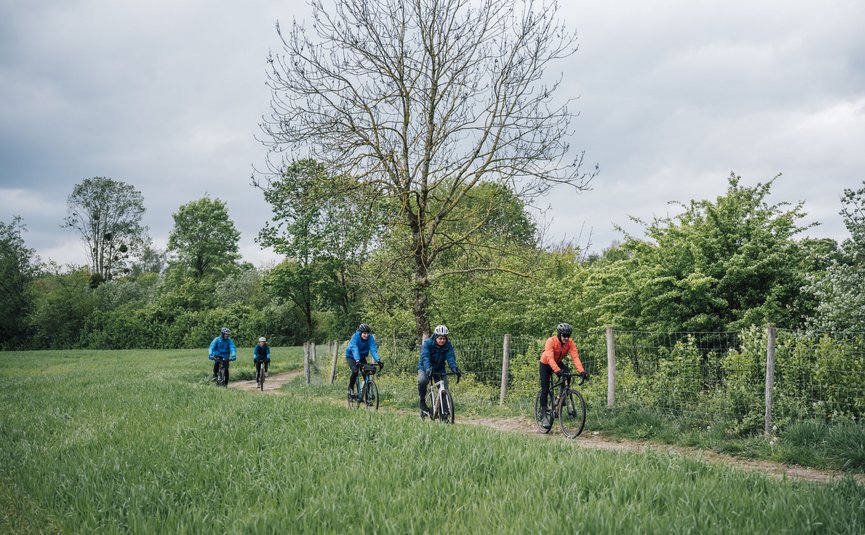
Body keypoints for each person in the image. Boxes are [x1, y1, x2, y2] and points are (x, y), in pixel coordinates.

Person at [539, 322, 587, 429]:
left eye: (568, 336)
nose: (566, 338)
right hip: (546, 363)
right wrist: (557, 371)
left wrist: (581, 371)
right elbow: (550, 358)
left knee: (568, 373)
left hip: (557, 362)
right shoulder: (551, 341)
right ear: (559, 334)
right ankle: (543, 414)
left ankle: (561, 397)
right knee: (545, 389)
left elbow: (575, 357)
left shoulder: (570, 342)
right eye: (564, 335)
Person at [417, 324, 462, 417]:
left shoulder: (448, 345)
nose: (442, 340)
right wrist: (428, 368)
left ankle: (445, 413)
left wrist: (454, 368)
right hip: (425, 367)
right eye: (440, 338)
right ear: (435, 337)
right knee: (422, 381)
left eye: (444, 338)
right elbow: (425, 357)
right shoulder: (427, 343)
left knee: (444, 389)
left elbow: (450, 357)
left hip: (439, 368)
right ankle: (422, 401)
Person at [344, 323, 383, 400]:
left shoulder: (370, 338)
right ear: (360, 332)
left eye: (367, 333)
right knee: (355, 371)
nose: (366, 335)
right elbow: (354, 348)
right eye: (364, 333)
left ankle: (366, 395)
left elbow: (373, 349)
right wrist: (357, 360)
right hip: (351, 356)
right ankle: (350, 389)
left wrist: (378, 360)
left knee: (367, 373)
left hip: (361, 357)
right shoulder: (355, 337)